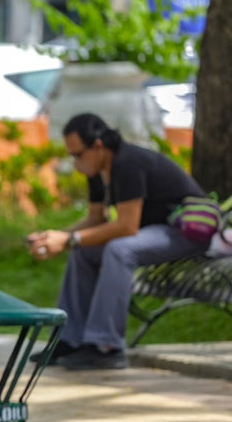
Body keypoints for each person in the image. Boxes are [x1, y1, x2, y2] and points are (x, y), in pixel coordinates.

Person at [28, 113, 207, 370]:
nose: (76, 162)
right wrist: (55, 236)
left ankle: (106, 346)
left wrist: (69, 239)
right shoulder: (97, 169)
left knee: (119, 250)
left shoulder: (127, 162)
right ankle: (71, 340)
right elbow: (96, 218)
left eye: (78, 154)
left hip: (186, 231)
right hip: (154, 231)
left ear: (98, 146)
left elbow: (126, 226)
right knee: (83, 250)